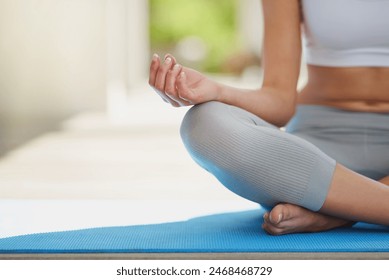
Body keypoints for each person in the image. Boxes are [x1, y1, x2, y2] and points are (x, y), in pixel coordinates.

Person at [148, 0, 389, 235]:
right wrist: (218, 91)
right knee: (204, 123)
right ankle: (357, 203)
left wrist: (338, 214)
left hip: (333, 176)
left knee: (309, 192)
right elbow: (279, 102)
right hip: (318, 147)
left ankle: (336, 210)